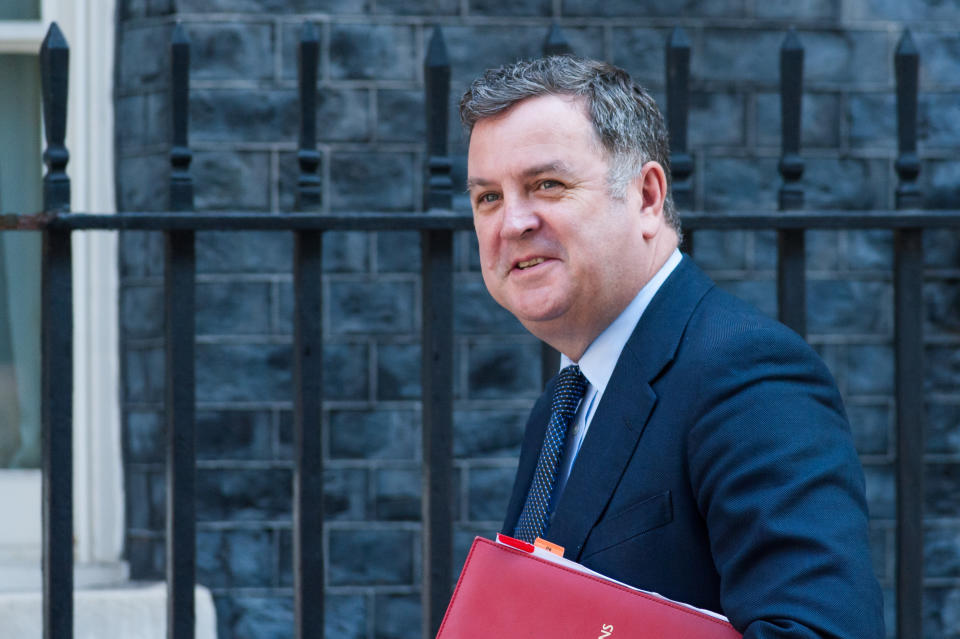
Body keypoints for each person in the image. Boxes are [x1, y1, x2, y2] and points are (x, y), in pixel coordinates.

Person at [459, 56, 884, 638]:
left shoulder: (748, 375)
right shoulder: (562, 406)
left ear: (648, 197)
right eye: (487, 198)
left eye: (546, 185)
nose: (512, 223)